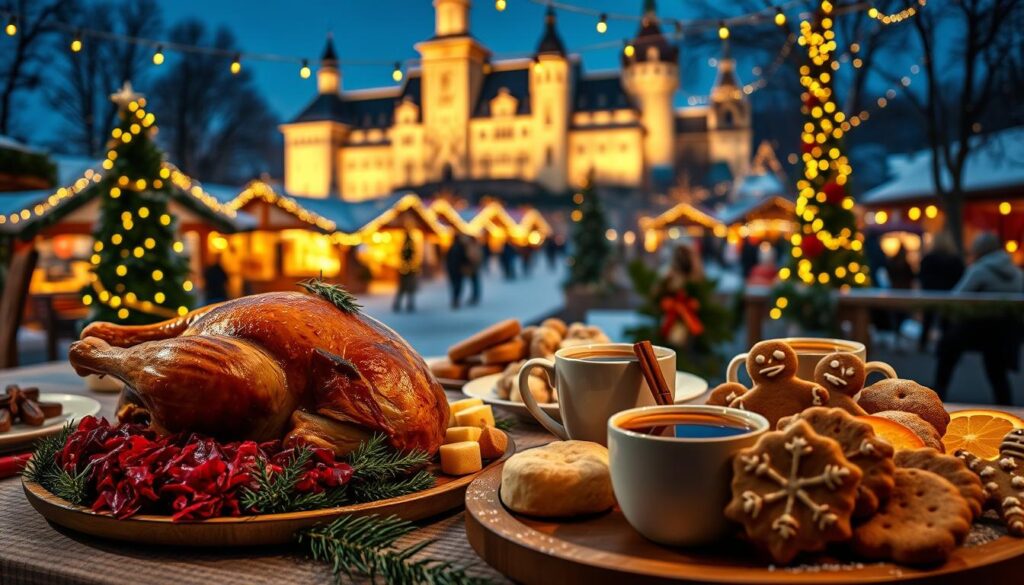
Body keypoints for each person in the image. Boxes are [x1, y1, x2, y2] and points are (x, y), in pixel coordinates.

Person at [934, 232, 1024, 405]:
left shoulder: (979, 270)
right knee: (997, 373)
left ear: (980, 250)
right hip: (1006, 332)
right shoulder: (1017, 272)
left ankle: (938, 394)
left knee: (947, 349)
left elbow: (956, 297)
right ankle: (1007, 410)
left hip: (977, 328)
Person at [918, 232, 965, 350]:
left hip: (930, 294)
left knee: (927, 321)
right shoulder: (955, 260)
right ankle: (945, 346)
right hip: (948, 295)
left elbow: (922, 276)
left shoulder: (928, 259)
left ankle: (923, 344)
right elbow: (961, 277)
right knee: (946, 323)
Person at [392, 230, 418, 313]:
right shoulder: (410, 245)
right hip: (408, 271)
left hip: (405, 271)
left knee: (402, 289)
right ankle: (408, 305)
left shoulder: (405, 245)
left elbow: (403, 257)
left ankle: (399, 305)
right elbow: (412, 257)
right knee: (408, 289)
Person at [446, 234, 467, 309]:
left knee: (455, 285)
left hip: (453, 270)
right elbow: (464, 258)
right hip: (458, 270)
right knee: (458, 286)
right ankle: (456, 300)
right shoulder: (461, 248)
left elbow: (447, 259)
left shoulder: (451, 248)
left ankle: (455, 299)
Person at [465, 236, 483, 306]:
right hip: (472, 267)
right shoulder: (473, 246)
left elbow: (477, 257)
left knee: (475, 282)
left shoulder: (474, 247)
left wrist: (474, 262)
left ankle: (475, 297)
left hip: (474, 267)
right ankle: (474, 296)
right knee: (473, 282)